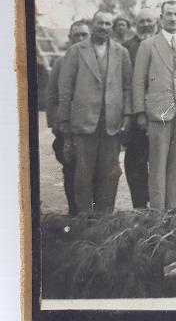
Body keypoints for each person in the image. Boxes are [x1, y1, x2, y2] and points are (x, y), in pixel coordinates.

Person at [57, 11, 133, 214]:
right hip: (84, 122)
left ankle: (104, 218)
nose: (103, 27)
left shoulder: (121, 52)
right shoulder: (76, 51)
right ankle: (84, 218)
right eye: (100, 23)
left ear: (112, 27)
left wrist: (127, 116)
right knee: (84, 174)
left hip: (111, 123)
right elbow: (66, 88)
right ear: (93, 24)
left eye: (108, 24)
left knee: (109, 173)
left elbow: (127, 87)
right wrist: (65, 121)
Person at [132, 1, 176, 211]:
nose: (172, 18)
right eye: (168, 14)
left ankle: (175, 209)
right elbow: (138, 81)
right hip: (158, 112)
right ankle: (158, 212)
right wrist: (140, 112)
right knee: (158, 164)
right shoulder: (148, 45)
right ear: (161, 17)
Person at [46, 19, 90, 216]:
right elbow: (52, 96)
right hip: (68, 128)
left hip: (91, 127)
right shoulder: (60, 63)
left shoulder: (96, 62)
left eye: (84, 35)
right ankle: (74, 211)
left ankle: (91, 213)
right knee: (71, 170)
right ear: (70, 38)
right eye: (77, 35)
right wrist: (57, 125)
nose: (80, 39)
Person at [123, 7, 158, 209]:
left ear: (156, 23)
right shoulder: (126, 48)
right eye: (141, 21)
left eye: (149, 20)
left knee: (159, 160)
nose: (146, 24)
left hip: (161, 113)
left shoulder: (164, 43)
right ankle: (139, 204)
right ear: (136, 24)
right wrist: (136, 113)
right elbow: (126, 83)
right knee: (135, 161)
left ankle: (159, 205)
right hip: (137, 114)